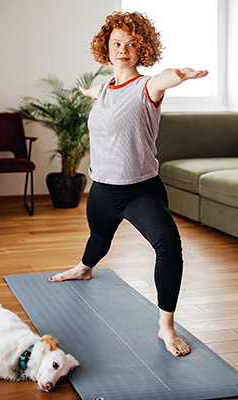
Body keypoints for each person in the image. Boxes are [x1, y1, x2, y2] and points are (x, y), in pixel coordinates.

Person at [48, 11, 208, 357]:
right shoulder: (105, 89)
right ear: (106, 48)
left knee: (169, 248)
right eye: (117, 43)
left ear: (142, 49)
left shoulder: (147, 87)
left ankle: (166, 327)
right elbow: (97, 93)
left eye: (132, 44)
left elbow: (164, 78)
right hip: (102, 190)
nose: (124, 49)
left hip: (140, 192)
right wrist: (86, 90)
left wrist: (182, 74)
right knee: (99, 239)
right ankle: (84, 269)